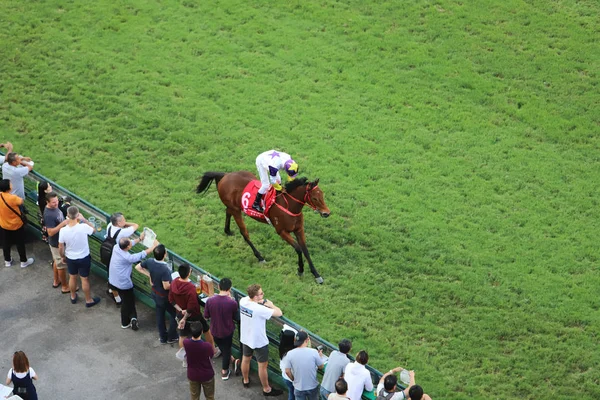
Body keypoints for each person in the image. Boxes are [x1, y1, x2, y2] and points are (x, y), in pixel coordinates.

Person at [239, 283, 283, 396]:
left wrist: (260, 301)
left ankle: (245, 380)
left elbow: (252, 302)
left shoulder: (243, 301)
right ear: (256, 296)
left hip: (245, 336)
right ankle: (266, 389)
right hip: (259, 341)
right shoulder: (259, 309)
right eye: (261, 293)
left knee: (246, 358)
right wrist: (271, 305)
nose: (263, 294)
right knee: (262, 366)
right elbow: (279, 313)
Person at [109, 234, 157, 330]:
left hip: (113, 279)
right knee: (127, 303)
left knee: (129, 301)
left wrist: (139, 239)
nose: (131, 242)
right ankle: (125, 322)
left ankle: (133, 318)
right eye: (130, 242)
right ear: (127, 247)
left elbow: (130, 244)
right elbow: (142, 254)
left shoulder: (116, 247)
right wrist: (153, 247)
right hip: (123, 284)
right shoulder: (128, 257)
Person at [134, 244, 178, 344]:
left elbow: (138, 267)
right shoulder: (165, 269)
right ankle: (172, 336)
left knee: (160, 314)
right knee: (174, 314)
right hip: (164, 297)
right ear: (165, 255)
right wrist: (177, 285)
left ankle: (163, 337)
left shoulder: (150, 262)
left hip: (154, 293)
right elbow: (166, 286)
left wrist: (150, 275)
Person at [58, 206, 101, 308]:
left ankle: (73, 296)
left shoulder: (63, 231)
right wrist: (84, 220)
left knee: (72, 277)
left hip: (70, 257)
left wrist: (62, 256)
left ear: (67, 216)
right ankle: (88, 300)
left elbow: (60, 247)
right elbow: (94, 230)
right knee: (84, 279)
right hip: (84, 257)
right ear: (78, 215)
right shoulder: (83, 227)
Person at [169, 263, 214, 350]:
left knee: (182, 335)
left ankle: (184, 356)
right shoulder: (191, 288)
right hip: (194, 315)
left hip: (180, 314)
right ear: (189, 273)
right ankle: (212, 350)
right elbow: (190, 308)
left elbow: (171, 300)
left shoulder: (174, 282)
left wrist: (181, 310)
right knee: (206, 330)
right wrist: (184, 318)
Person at [204, 277, 239, 380]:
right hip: (227, 331)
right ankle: (224, 371)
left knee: (224, 348)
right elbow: (235, 316)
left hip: (214, 331)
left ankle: (232, 360)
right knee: (226, 350)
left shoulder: (210, 301)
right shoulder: (232, 303)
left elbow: (206, 316)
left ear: (218, 286)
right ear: (230, 289)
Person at [105, 212, 140, 306]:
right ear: (119, 223)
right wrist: (125, 224)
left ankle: (115, 295)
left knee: (110, 273)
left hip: (107, 252)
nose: (125, 221)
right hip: (117, 257)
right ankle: (119, 298)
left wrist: (122, 223)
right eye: (123, 220)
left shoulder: (109, 225)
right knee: (119, 276)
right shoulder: (123, 232)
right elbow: (136, 225)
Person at [0, 179, 34, 268]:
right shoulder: (13, 198)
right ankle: (23, 261)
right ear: (9, 187)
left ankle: (7, 260)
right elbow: (21, 201)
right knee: (20, 243)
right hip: (16, 225)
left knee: (5, 243)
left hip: (4, 224)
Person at [283, 331, 325, 400]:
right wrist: (320, 357)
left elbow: (287, 371)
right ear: (307, 340)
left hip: (298, 387)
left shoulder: (290, 353)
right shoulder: (313, 352)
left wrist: (293, 379)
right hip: (312, 386)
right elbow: (321, 366)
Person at [43, 192, 70, 292]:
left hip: (58, 241)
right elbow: (50, 232)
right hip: (56, 243)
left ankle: (56, 280)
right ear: (47, 202)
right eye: (54, 202)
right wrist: (63, 223)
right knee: (61, 266)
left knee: (56, 261)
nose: (56, 203)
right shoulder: (49, 214)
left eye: (57, 201)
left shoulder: (54, 207)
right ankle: (65, 286)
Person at [184, 322, 215, 400]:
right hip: (207, 374)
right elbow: (211, 355)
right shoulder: (207, 346)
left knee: (194, 397)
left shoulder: (186, 343)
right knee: (210, 397)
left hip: (192, 374)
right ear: (201, 332)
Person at [279, 330, 297, 400]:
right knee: (294, 395)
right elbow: (288, 371)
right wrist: (294, 380)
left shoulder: (282, 347)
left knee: (291, 392)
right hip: (290, 378)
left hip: (285, 377)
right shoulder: (291, 354)